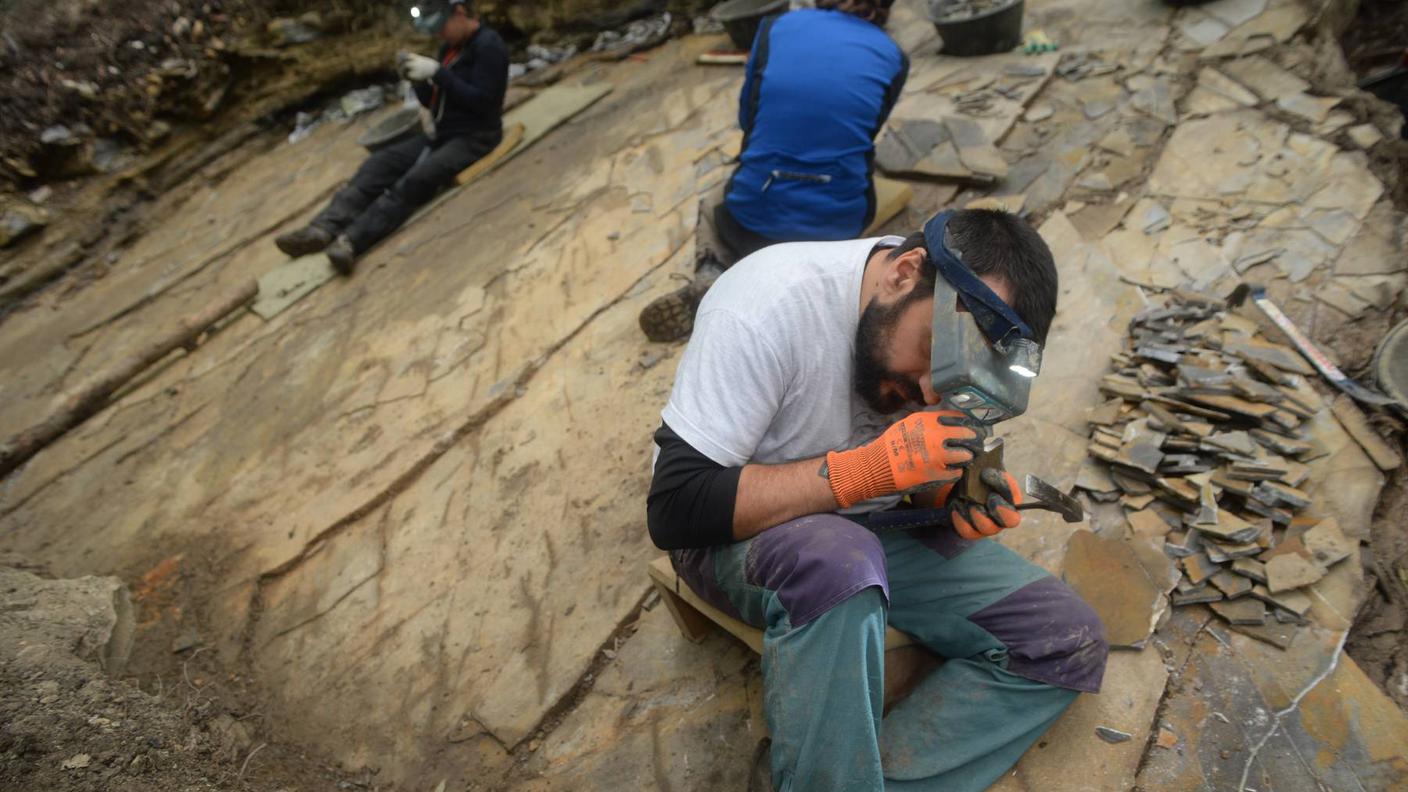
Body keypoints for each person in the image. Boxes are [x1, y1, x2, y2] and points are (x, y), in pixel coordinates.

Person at [646, 208, 1108, 792]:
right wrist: (864, 472)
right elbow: (674, 509)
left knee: (1064, 641)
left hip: (873, 530)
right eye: (928, 353)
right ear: (905, 271)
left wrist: (954, 494)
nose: (926, 391)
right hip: (739, 538)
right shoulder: (767, 304)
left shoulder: (947, 336)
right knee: (839, 556)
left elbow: (924, 469)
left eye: (952, 381)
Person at [638, 0, 909, 342]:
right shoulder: (895, 57)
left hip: (754, 209)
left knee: (713, 202)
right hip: (834, 225)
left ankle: (712, 272)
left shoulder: (775, 27)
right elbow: (866, 129)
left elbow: (746, 119)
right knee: (852, 182)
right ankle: (819, 282)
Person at [274, 0, 508, 274]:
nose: (438, 34)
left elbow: (485, 102)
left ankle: (351, 241)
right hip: (442, 134)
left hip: (475, 136)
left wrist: (439, 74)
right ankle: (323, 228)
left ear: (460, 13)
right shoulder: (451, 48)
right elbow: (435, 101)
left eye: (442, 26)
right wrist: (419, 81)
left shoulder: (488, 46)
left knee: (416, 179)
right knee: (378, 165)